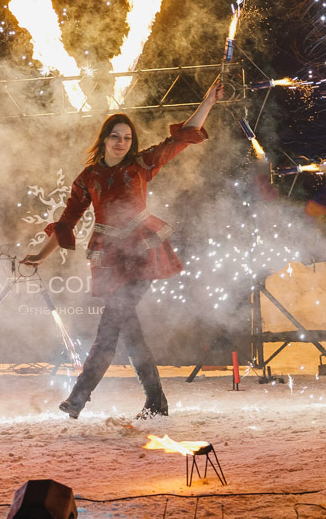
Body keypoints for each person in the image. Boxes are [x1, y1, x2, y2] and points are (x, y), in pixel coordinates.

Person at [21, 77, 223, 419]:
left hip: (143, 253)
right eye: (115, 136)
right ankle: (152, 401)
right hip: (111, 259)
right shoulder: (88, 178)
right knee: (124, 328)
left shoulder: (141, 164)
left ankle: (80, 398)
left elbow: (181, 139)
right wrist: (40, 256)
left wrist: (208, 103)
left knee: (113, 326)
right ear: (104, 140)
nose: (121, 142)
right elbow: (67, 220)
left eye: (127, 138)